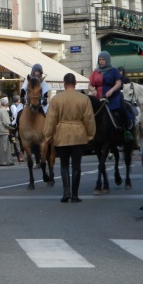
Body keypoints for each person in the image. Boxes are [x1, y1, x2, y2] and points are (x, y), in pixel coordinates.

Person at [44, 73, 96, 203]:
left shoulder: (56, 99)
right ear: (75, 83)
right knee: (76, 166)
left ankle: (66, 192)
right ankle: (75, 195)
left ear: (64, 83)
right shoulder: (84, 99)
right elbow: (89, 119)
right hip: (78, 134)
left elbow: (51, 120)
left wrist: (48, 135)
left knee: (64, 164)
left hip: (61, 134)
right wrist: (90, 134)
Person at [95, 51, 133, 141]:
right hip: (101, 97)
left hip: (114, 96)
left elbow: (118, 83)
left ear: (107, 60)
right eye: (99, 60)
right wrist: (92, 90)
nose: (101, 61)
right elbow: (91, 84)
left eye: (103, 60)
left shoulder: (114, 70)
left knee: (121, 110)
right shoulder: (96, 71)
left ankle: (126, 130)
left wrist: (111, 90)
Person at [0, 97, 13, 166]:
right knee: (4, 146)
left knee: (5, 146)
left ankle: (8, 160)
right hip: (3, 130)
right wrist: (12, 127)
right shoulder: (3, 110)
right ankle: (3, 161)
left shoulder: (0, 110)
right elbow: (6, 122)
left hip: (1, 130)